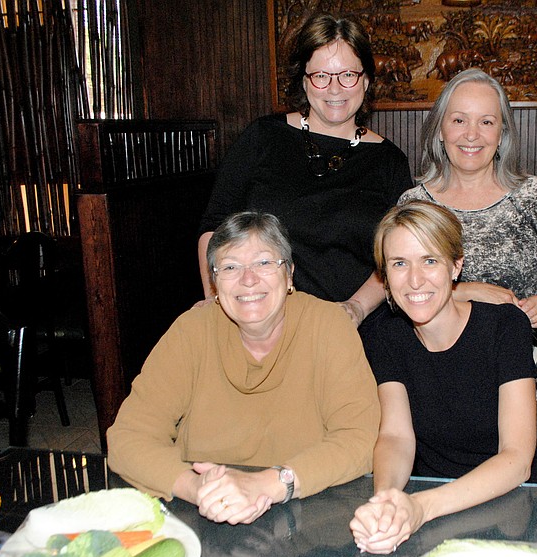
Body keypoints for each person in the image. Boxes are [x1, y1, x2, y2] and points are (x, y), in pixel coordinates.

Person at [108, 211, 380, 525]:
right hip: (201, 514)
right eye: (230, 267)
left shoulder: (327, 325)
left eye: (264, 263)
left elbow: (360, 439)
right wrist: (198, 488)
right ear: (214, 283)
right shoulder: (192, 330)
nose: (248, 279)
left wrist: (267, 484)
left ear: (289, 275)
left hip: (304, 519)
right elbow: (128, 438)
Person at [349, 201, 537, 554]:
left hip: (517, 505)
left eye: (430, 260)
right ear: (385, 276)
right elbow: (396, 436)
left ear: (456, 265)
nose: (415, 280)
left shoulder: (505, 327)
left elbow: (517, 459)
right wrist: (387, 499)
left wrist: (421, 507)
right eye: (399, 264)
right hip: (435, 502)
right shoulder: (385, 335)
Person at [398, 68, 537, 436]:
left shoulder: (531, 194)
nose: (472, 134)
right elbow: (396, 285)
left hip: (527, 372)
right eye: (459, 120)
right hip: (440, 376)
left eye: (486, 121)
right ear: (440, 130)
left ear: (502, 133)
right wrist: (466, 291)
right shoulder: (416, 203)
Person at [198, 13, 413, 327]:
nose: (335, 88)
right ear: (304, 80)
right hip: (261, 322)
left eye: (348, 75)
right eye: (321, 76)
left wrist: (356, 308)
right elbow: (214, 227)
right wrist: (216, 305)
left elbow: (400, 256)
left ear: (365, 80)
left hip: (352, 329)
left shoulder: (389, 161)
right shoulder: (263, 137)